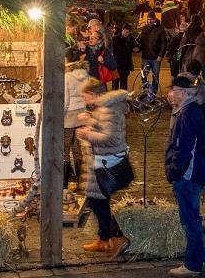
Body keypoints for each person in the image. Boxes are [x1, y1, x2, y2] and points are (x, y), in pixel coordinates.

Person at [165, 73, 205, 276]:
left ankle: (193, 264)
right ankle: (203, 256)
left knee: (190, 218)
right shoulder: (193, 110)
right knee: (193, 216)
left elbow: (182, 148)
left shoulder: (186, 114)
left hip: (188, 175)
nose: (170, 94)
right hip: (196, 172)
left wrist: (174, 171)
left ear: (183, 93)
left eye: (173, 91)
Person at [77, 80, 131, 258]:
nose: (83, 100)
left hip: (107, 165)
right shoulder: (104, 108)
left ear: (93, 95)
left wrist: (87, 134)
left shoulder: (108, 109)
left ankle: (117, 238)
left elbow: (112, 138)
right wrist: (91, 120)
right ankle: (104, 239)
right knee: (96, 200)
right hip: (101, 162)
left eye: (85, 96)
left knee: (97, 201)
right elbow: (107, 127)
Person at [64, 48, 88, 188]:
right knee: (78, 150)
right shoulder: (84, 74)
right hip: (81, 113)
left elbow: (65, 99)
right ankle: (81, 182)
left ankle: (64, 185)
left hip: (68, 116)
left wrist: (61, 115)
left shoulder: (66, 76)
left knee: (64, 151)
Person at [139, 14, 168, 95]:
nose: (149, 21)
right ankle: (145, 91)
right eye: (148, 19)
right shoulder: (144, 29)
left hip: (156, 58)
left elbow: (164, 43)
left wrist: (161, 55)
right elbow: (142, 42)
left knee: (155, 76)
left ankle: (153, 93)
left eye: (151, 19)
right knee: (143, 75)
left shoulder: (160, 29)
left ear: (155, 19)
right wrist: (138, 48)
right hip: (145, 56)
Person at [111, 24, 137, 90]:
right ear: (122, 30)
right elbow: (119, 50)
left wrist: (135, 48)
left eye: (128, 32)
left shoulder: (130, 39)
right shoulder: (115, 38)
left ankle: (123, 99)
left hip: (125, 66)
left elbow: (136, 47)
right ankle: (114, 99)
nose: (126, 33)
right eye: (125, 31)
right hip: (116, 65)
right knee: (115, 84)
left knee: (124, 84)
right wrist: (130, 49)